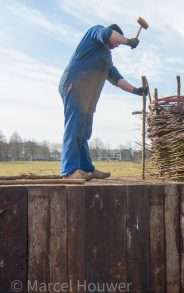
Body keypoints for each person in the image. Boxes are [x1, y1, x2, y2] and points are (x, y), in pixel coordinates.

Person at [59, 24, 148, 180]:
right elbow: (108, 34)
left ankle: (87, 169)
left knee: (84, 131)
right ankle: (69, 171)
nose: (118, 45)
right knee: (74, 126)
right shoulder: (95, 33)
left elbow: (117, 79)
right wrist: (128, 41)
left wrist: (136, 91)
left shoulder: (106, 59)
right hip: (75, 85)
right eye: (117, 42)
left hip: (89, 96)